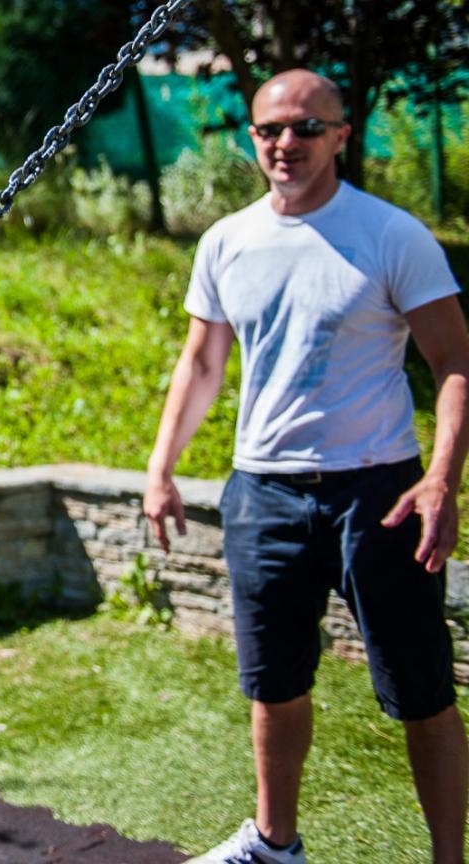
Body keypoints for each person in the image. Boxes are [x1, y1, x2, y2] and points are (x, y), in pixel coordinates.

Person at [143, 69, 469, 864]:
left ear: (341, 136)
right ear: (252, 137)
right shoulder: (228, 241)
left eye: (305, 128)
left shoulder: (392, 235)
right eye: (268, 130)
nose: (285, 144)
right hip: (263, 494)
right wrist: (161, 469)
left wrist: (443, 480)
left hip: (379, 492)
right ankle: (275, 845)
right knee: (274, 687)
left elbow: (455, 356)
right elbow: (202, 365)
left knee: (421, 694)